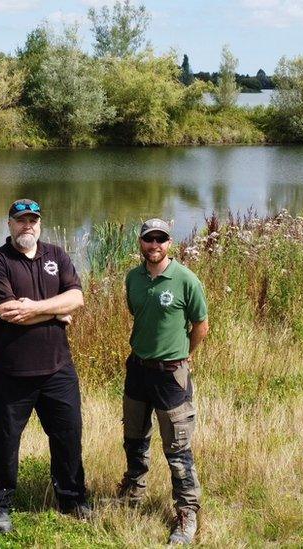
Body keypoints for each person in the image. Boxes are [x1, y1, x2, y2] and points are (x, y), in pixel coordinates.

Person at [0, 198, 90, 534]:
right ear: (9, 224)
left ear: (40, 223)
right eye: (20, 221)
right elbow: (9, 312)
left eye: (33, 220)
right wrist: (57, 312)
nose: (27, 226)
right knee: (4, 439)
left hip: (58, 369)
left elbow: (78, 298)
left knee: (68, 435)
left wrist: (39, 307)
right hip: (11, 373)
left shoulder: (56, 255)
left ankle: (71, 499)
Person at [117, 218, 209, 545]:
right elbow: (137, 312)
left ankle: (186, 513)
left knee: (178, 448)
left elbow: (200, 324)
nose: (154, 245)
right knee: (134, 439)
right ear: (140, 242)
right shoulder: (133, 279)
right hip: (138, 370)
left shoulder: (186, 279)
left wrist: (184, 355)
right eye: (148, 239)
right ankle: (133, 493)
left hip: (171, 375)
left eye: (161, 239)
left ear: (169, 243)